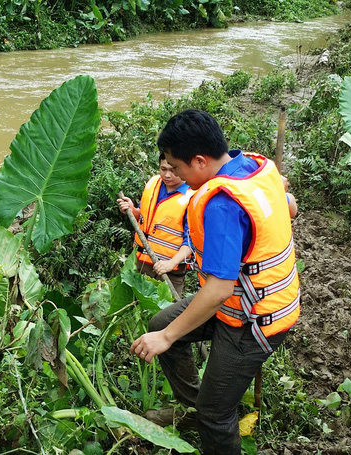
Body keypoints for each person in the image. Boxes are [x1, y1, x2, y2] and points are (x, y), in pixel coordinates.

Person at [129, 109, 300, 454]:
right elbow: (290, 207)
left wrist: (165, 338)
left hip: (254, 320)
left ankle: (211, 412)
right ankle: (200, 404)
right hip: (242, 300)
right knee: (161, 321)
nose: (173, 174)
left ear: (199, 160)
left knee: (214, 411)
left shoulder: (221, 204)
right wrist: (166, 332)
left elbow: (219, 289)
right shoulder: (254, 167)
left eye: (176, 168)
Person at [117, 154, 194, 296]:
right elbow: (145, 218)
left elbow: (191, 240)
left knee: (165, 314)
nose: (167, 175)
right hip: (141, 262)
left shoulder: (192, 197)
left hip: (169, 270)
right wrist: (132, 210)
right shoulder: (153, 184)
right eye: (163, 169)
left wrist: (171, 263)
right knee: (135, 307)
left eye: (172, 170)